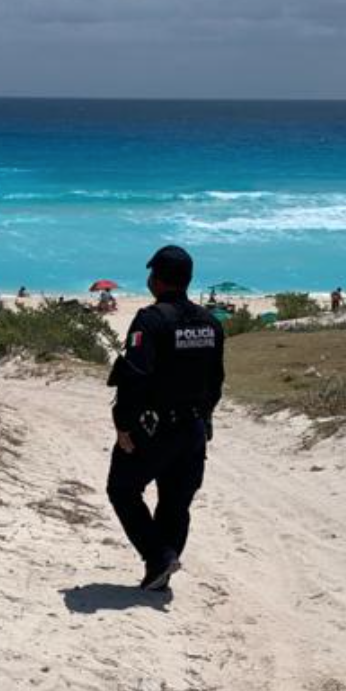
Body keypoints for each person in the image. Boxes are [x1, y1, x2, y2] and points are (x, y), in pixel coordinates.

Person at [106, 245, 224, 591]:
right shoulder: (211, 323)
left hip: (154, 428)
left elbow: (134, 375)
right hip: (194, 428)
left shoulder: (151, 320)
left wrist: (123, 424)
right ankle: (162, 564)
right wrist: (207, 420)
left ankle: (159, 557)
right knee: (176, 502)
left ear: (156, 279)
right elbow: (216, 382)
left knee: (122, 489)